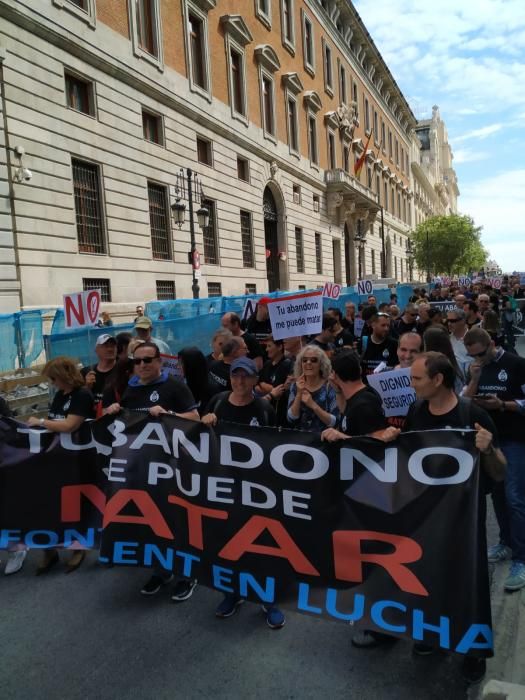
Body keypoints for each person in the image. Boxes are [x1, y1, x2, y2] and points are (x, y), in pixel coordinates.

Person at [403, 351, 506, 684]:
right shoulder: (416, 411)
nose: (411, 383)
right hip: (424, 518)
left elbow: (500, 473)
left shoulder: (472, 414)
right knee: (427, 578)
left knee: (467, 583)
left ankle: (473, 649)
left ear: (437, 380)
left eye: (417, 378)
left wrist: (488, 449)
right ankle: (432, 635)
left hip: (464, 520)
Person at [104, 342, 200, 598]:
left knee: (176, 520)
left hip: (173, 467)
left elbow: (195, 419)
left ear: (159, 361)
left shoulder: (175, 386)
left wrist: (169, 414)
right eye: (138, 361)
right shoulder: (130, 389)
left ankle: (186, 575)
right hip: (143, 468)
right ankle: (161, 570)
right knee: (152, 522)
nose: (143, 365)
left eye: (148, 360)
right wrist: (112, 412)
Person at [201, 357, 284, 629]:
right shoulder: (218, 402)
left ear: (254, 379)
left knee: (262, 546)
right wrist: (207, 421)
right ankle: (232, 593)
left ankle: (268, 599)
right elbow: (199, 437)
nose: (240, 381)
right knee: (227, 544)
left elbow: (278, 445)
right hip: (224, 488)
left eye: (245, 376)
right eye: (235, 376)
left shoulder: (263, 407)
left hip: (257, 491)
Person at [463, 328, 525, 592]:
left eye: (481, 354)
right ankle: (506, 542)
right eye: (473, 356)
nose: (479, 359)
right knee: (497, 494)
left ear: (491, 343)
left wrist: (502, 405)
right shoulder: (476, 367)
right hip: (489, 439)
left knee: (514, 497)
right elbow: (464, 401)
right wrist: (475, 379)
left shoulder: (516, 364)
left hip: (514, 439)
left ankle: (521, 559)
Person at [27, 356, 96, 574]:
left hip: (76, 459)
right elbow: (55, 421)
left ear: (64, 376)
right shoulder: (60, 394)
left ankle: (77, 548)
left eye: (54, 377)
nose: (52, 382)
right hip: (56, 458)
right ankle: (49, 549)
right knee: (49, 504)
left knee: (73, 505)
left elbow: (69, 425)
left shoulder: (83, 395)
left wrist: (40, 422)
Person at [320, 349, 400, 443]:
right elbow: (347, 415)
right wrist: (338, 390)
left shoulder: (365, 404)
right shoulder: (355, 397)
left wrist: (342, 437)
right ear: (360, 370)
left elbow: (378, 444)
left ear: (334, 375)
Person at [287, 345, 339, 432]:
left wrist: (312, 405)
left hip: (323, 441)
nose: (308, 363)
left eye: (313, 360)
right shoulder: (295, 385)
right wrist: (299, 394)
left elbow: (334, 421)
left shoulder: (329, 386)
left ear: (321, 364)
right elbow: (291, 419)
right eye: (304, 360)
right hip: (298, 441)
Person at [178, 346, 220, 416]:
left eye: (181, 363)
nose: (178, 366)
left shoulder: (211, 389)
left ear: (191, 366)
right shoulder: (188, 382)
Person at [81, 334, 117, 411]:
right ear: (96, 350)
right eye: (106, 346)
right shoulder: (86, 372)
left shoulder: (123, 370)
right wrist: (86, 387)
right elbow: (77, 402)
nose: (110, 349)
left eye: (113, 346)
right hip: (91, 418)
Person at [446, 308, 472, 380]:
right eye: (448, 321)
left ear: (463, 320)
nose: (449, 324)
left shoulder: (474, 337)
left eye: (453, 321)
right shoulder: (447, 340)